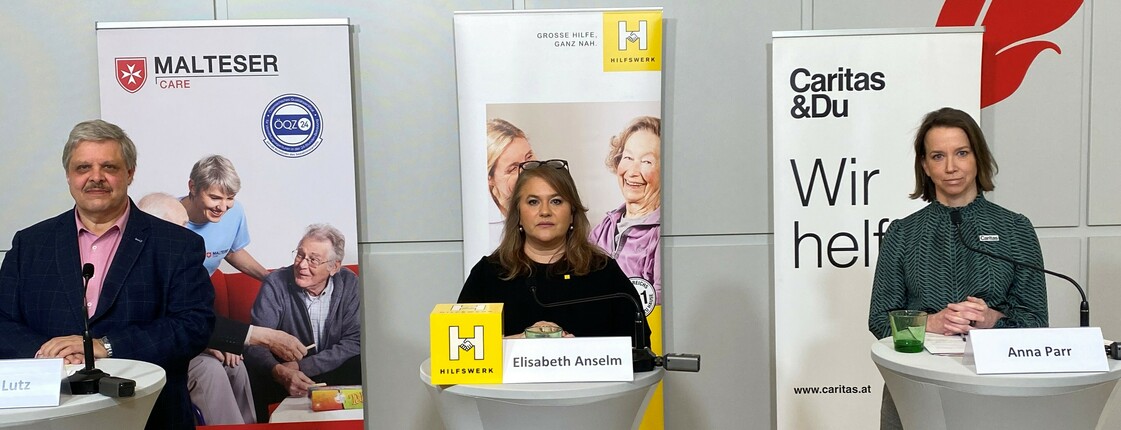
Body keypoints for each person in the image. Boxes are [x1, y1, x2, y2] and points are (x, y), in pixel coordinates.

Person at [0, 119, 214, 430]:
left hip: (148, 415)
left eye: (109, 167)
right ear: (69, 176)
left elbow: (194, 324)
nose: (95, 178)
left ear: (130, 172)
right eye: (83, 167)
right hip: (49, 417)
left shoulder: (177, 245)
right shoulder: (30, 243)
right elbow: (2, 322)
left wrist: (107, 345)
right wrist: (46, 353)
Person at [868, 107, 1047, 430]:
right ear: (924, 165)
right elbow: (879, 320)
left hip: (997, 387)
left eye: (961, 153)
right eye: (938, 156)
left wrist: (992, 320)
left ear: (977, 157)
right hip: (916, 389)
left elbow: (1036, 321)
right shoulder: (903, 233)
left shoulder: (1015, 229)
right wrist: (931, 323)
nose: (951, 167)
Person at [140, 191, 304, 425]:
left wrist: (214, 343)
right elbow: (160, 327)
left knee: (233, 364)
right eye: (181, 226)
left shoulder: (182, 264)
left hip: (186, 348)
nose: (188, 233)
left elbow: (198, 317)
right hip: (155, 357)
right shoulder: (139, 266)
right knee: (210, 370)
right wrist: (213, 345)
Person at [458, 159, 652, 345]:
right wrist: (517, 343)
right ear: (517, 214)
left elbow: (640, 348)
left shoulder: (603, 272)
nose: (545, 211)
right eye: (533, 202)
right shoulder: (488, 274)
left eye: (556, 201)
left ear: (572, 214)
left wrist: (577, 352)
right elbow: (459, 351)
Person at [244, 224, 361, 422]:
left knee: (361, 363)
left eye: (313, 260)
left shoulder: (349, 283)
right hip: (282, 375)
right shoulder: (276, 282)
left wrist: (302, 366)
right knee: (252, 370)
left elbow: (355, 340)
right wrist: (280, 372)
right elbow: (256, 343)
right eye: (300, 255)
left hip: (335, 371)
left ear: (334, 267)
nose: (302, 265)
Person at [590, 116, 662, 308]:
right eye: (628, 158)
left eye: (647, 162)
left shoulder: (663, 236)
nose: (632, 171)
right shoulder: (602, 229)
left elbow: (661, 309)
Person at [180, 154, 269, 280]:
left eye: (230, 198)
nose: (223, 208)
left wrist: (269, 279)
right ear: (193, 188)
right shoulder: (163, 215)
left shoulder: (235, 212)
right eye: (215, 198)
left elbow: (232, 251)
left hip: (199, 294)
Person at [486, 118, 536, 247]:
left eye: (529, 157)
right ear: (489, 178)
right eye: (513, 168)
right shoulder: (485, 231)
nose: (528, 170)